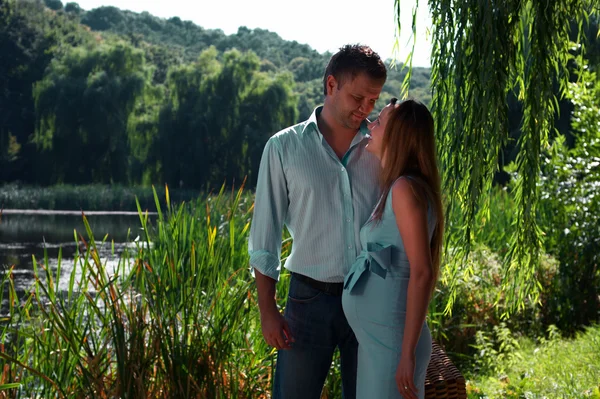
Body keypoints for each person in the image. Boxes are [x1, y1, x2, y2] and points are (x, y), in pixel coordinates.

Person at [248, 44, 387, 399]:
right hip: (309, 300)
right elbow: (265, 236)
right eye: (358, 97)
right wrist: (268, 310)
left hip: (372, 298)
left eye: (373, 101)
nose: (365, 109)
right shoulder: (283, 148)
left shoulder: (384, 148)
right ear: (331, 85)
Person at [342, 98, 444, 399]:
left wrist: (406, 354)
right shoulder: (398, 187)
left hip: (393, 345)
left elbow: (422, 273)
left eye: (380, 121)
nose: (370, 125)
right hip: (381, 343)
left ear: (398, 135)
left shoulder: (404, 189)